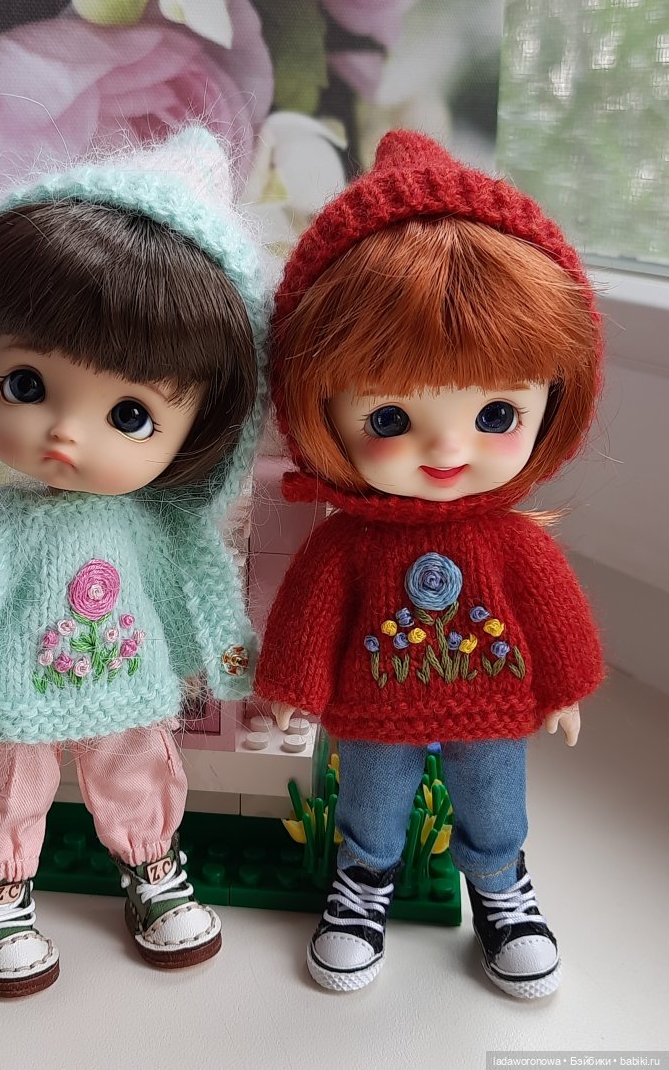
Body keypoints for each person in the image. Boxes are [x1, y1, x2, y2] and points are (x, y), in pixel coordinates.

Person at [0, 127, 268, 996]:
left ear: (203, 427)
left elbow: (190, 582)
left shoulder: (151, 524)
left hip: (127, 681)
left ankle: (152, 868)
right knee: (7, 781)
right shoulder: (4, 526)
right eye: (26, 385)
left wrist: (222, 653)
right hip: (14, 689)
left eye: (130, 414)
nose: (66, 434)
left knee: (136, 768)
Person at [256, 130, 604, 998]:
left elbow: (553, 608)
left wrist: (562, 685)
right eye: (389, 418)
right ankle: (362, 884)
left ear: (552, 398)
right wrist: (294, 685)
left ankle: (502, 888)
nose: (448, 450)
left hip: (493, 700)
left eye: (496, 414)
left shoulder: (512, 540)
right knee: (371, 804)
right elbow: (311, 610)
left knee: (494, 799)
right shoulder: (346, 543)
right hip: (375, 710)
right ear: (319, 409)